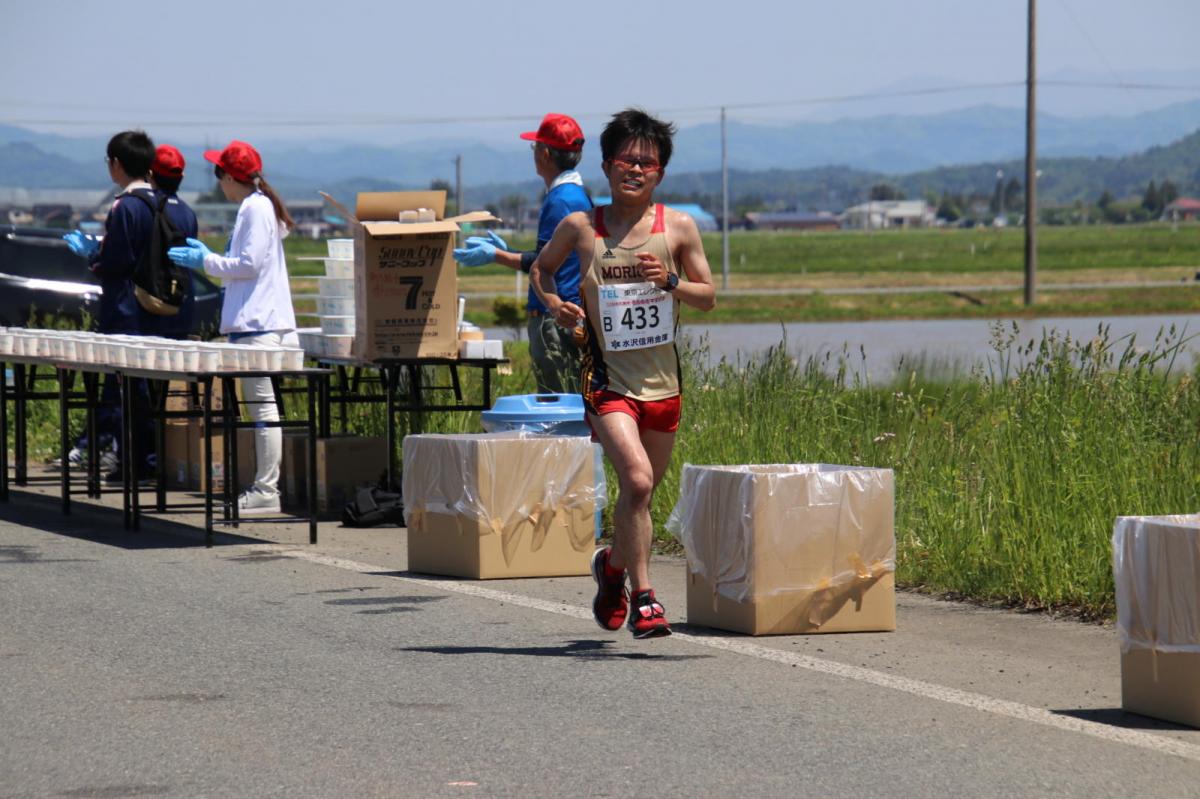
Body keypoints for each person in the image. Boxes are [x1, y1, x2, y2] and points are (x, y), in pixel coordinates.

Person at [531, 109, 716, 639]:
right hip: (607, 383)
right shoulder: (581, 227)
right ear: (607, 166)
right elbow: (542, 269)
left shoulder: (677, 227)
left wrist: (671, 283)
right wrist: (554, 305)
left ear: (660, 173)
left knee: (642, 496)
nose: (635, 169)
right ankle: (647, 598)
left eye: (646, 163)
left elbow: (708, 296)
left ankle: (611, 569)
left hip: (663, 386)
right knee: (636, 481)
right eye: (625, 160)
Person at [167, 140, 297, 516]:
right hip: (255, 323)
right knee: (261, 409)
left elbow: (248, 264)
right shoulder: (258, 206)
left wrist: (207, 260)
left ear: (228, 176)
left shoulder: (255, 208)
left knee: (263, 411)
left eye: (219, 174)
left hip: (258, 325)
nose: (218, 182)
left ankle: (266, 490)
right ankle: (264, 488)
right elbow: (245, 264)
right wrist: (211, 259)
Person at [454, 113, 592, 393]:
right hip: (568, 313)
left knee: (558, 401)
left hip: (555, 317)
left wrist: (496, 255)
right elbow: (548, 255)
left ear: (545, 153)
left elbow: (541, 265)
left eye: (534, 147)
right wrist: (510, 252)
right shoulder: (576, 195)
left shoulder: (560, 201)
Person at [62, 130, 158, 482]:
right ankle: (150, 457)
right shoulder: (159, 201)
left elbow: (116, 261)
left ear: (116, 164)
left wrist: (93, 256)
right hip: (154, 308)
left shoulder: (125, 206)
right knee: (146, 388)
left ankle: (133, 462)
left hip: (124, 307)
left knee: (124, 390)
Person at [143, 144, 199, 338]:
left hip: (151, 302)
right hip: (182, 300)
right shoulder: (188, 213)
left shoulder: (147, 207)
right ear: (181, 177)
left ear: (150, 174)